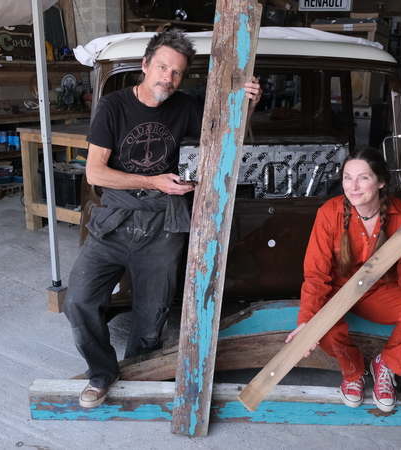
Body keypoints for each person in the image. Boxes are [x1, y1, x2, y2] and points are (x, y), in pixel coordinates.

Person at [63, 29, 261, 409]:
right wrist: (154, 180)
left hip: (162, 223)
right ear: (145, 65)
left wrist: (247, 104)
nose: (167, 78)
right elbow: (95, 173)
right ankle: (103, 374)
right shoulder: (113, 106)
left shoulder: (183, 106)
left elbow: (224, 135)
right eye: (162, 67)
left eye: (177, 73)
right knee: (79, 301)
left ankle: (137, 374)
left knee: (153, 312)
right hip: (115, 220)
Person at [286, 147, 401, 412]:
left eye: (363, 178)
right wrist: (306, 321)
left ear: (381, 182)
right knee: (320, 326)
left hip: (378, 292)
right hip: (338, 292)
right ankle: (353, 373)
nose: (353, 186)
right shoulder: (330, 212)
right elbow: (316, 274)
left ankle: (386, 366)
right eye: (347, 178)